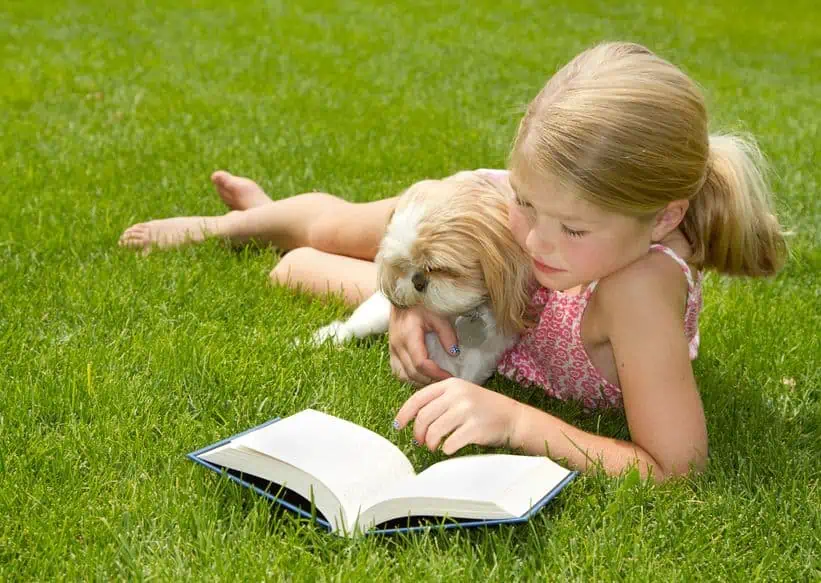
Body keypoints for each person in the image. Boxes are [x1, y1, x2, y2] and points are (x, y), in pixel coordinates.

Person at [119, 42, 786, 481]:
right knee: (332, 224)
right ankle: (231, 222)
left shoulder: (639, 288)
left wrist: (518, 421)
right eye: (526, 200)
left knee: (293, 269)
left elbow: (674, 466)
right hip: (469, 262)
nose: (535, 241)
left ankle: (271, 221)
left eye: (571, 228)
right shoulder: (522, 213)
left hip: (505, 320)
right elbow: (525, 217)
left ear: (663, 218)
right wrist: (410, 305)